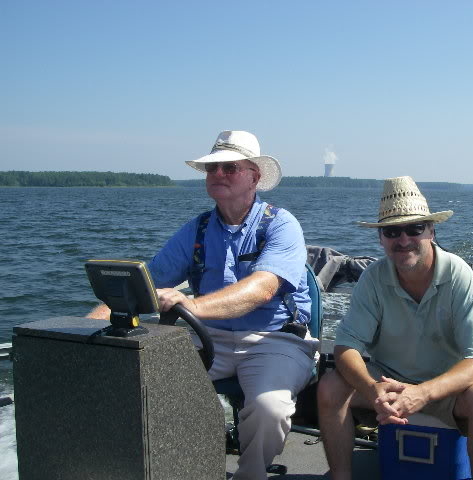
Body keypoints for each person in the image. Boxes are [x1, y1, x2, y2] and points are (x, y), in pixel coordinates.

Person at [88, 130, 317, 480]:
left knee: (269, 408)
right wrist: (88, 325)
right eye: (212, 169)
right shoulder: (196, 230)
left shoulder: (281, 224)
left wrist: (190, 305)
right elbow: (143, 284)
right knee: (146, 388)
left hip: (275, 340)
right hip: (209, 339)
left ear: (254, 177)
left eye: (230, 167)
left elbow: (262, 288)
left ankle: (250, 475)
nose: (218, 175)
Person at [317, 176, 473, 479]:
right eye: (392, 231)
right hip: (389, 382)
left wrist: (424, 393)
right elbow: (346, 347)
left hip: (447, 387)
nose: (403, 240)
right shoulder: (373, 278)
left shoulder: (458, 275)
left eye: (414, 228)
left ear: (431, 231)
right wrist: (372, 388)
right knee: (330, 386)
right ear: (381, 239)